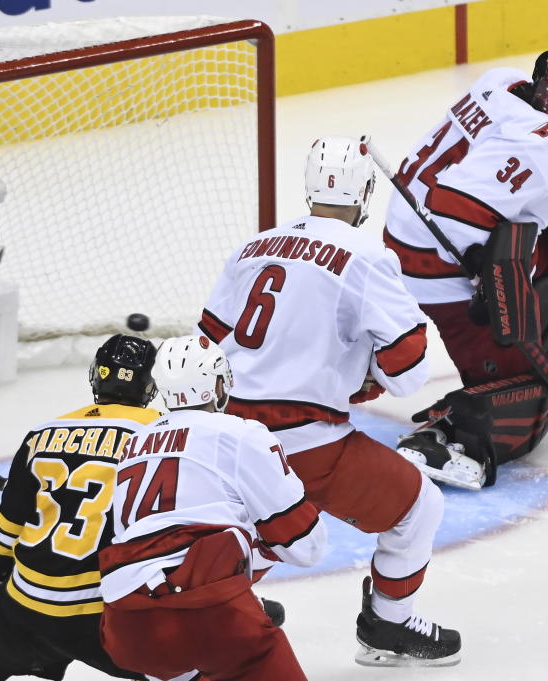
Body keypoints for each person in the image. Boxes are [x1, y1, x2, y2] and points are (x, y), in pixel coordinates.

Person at [195, 137, 462, 666]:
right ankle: (388, 627)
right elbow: (408, 369)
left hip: (227, 434)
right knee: (418, 506)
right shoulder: (366, 256)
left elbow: (207, 341)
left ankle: (205, 612)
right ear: (364, 191)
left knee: (261, 525)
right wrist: (369, 372)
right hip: (307, 441)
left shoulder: (254, 246)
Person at [383, 41, 548, 489]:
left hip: (403, 226)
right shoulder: (547, 150)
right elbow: (451, 206)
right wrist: (489, 268)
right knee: (535, 387)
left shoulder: (502, 81)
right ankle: (452, 433)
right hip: (434, 260)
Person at [0, 334, 161, 681]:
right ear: (150, 384)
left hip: (24, 608)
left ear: (96, 375)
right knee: (199, 668)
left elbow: (11, 521)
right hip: (100, 614)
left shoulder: (43, 433)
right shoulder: (161, 436)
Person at [99, 335, 327, 681]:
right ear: (218, 385)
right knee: (259, 534)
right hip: (207, 617)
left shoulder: (133, 444)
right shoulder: (241, 434)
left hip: (126, 628)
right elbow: (305, 546)